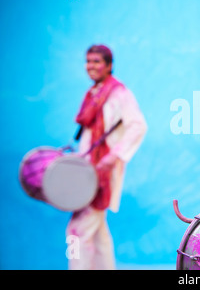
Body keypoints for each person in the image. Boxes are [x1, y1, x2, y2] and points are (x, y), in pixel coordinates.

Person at [66, 45, 147, 270]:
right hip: (88, 169)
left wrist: (114, 156)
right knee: (98, 233)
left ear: (109, 66)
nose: (90, 66)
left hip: (101, 171)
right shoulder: (95, 93)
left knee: (77, 231)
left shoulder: (119, 93)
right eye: (88, 61)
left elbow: (138, 126)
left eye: (96, 61)